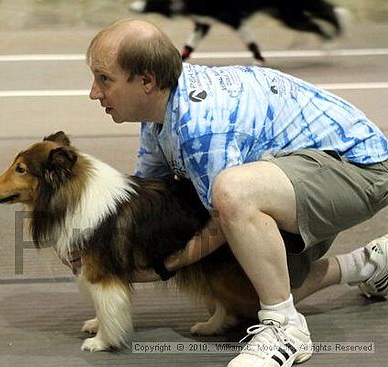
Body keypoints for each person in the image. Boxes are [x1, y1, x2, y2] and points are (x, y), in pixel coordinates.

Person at [83, 18, 388, 367]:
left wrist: (164, 268)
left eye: (104, 79)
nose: (94, 92)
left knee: (231, 192)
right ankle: (368, 263)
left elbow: (220, 213)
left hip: (360, 167)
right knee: (243, 295)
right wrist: (94, 240)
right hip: (305, 168)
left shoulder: (201, 127)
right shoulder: (160, 114)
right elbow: (146, 201)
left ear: (147, 81)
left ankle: (286, 329)